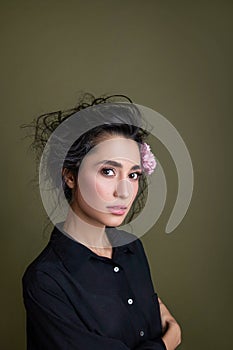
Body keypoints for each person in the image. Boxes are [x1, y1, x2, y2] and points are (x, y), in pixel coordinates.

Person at [22, 94, 181, 350]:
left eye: (133, 175)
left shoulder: (132, 249)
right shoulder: (46, 280)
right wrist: (168, 342)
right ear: (70, 176)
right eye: (108, 171)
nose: (125, 192)